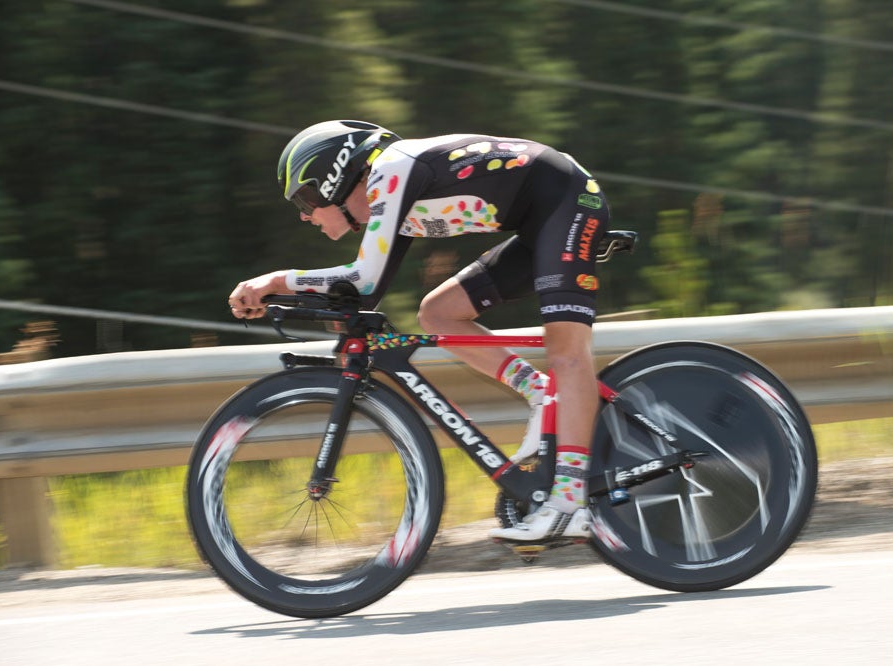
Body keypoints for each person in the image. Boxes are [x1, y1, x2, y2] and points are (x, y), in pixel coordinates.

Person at [227, 120, 611, 543]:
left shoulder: (391, 170)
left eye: (303, 198)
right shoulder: (391, 197)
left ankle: (569, 504)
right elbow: (364, 296)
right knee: (438, 313)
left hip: (568, 203)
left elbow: (363, 279)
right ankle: (541, 393)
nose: (303, 214)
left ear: (334, 178)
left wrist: (277, 282)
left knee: (567, 352)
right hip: (543, 219)